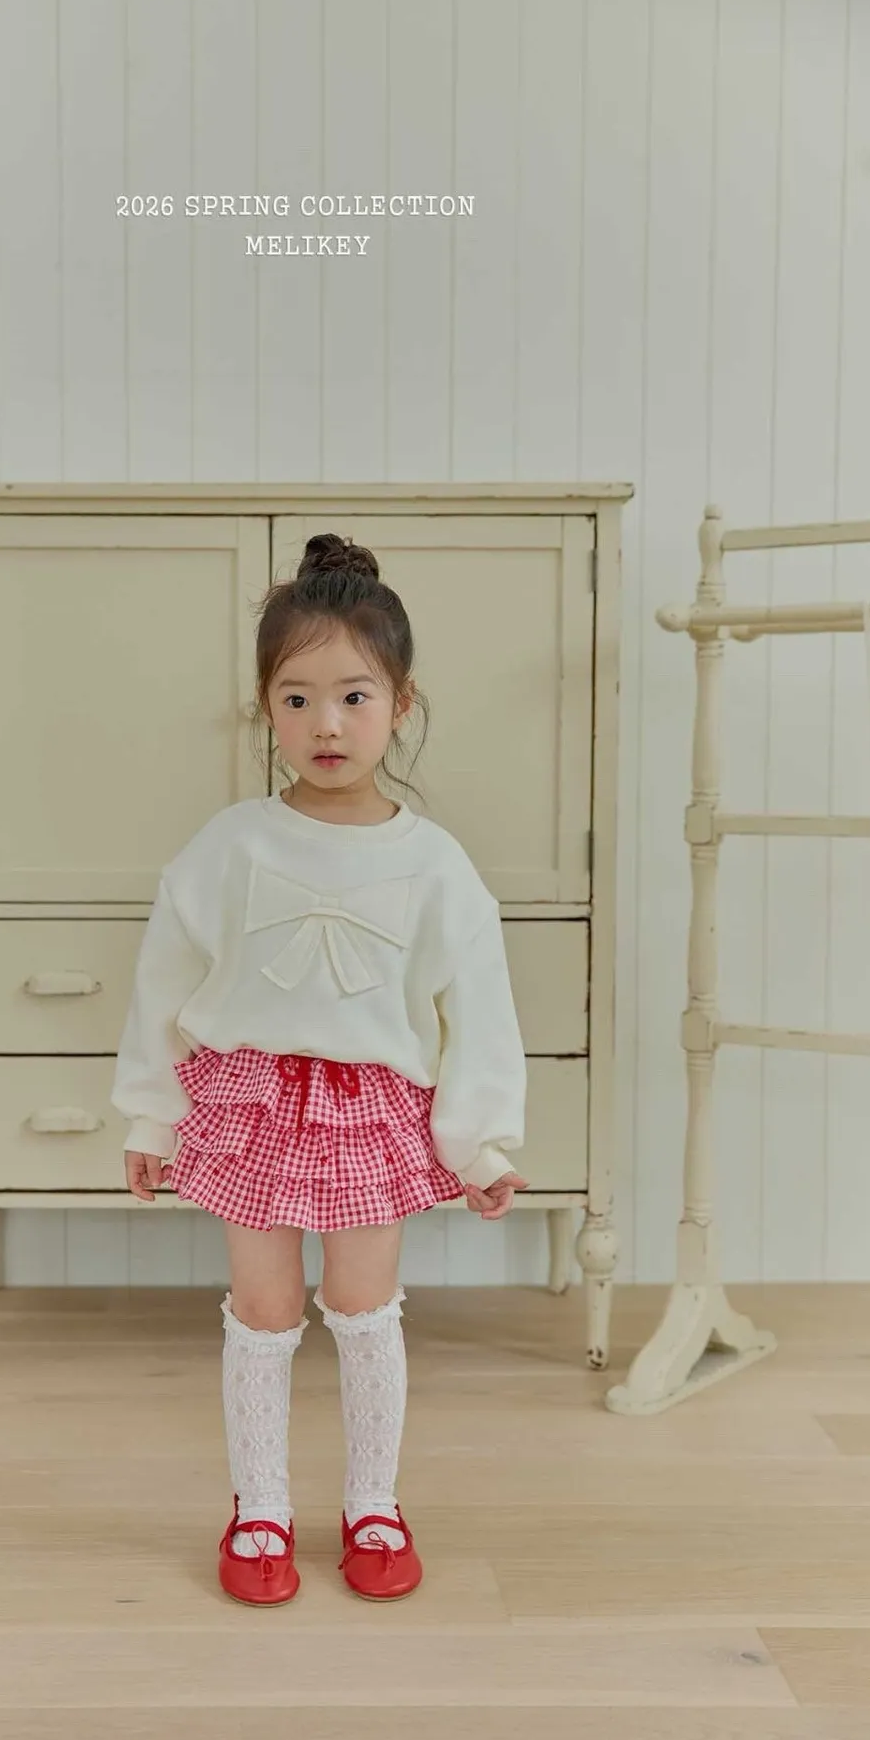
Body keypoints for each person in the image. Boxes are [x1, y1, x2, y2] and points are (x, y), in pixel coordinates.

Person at [110, 532, 528, 1607]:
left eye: (353, 696)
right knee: (262, 1304)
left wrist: (481, 1142)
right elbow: (164, 981)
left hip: (371, 1112)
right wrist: (150, 1117)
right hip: (251, 1104)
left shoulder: (435, 863)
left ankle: (373, 1501)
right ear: (266, 709)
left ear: (401, 702)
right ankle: (258, 1506)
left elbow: (476, 1009)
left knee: (364, 1301)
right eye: (296, 700)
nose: (326, 724)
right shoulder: (231, 845)